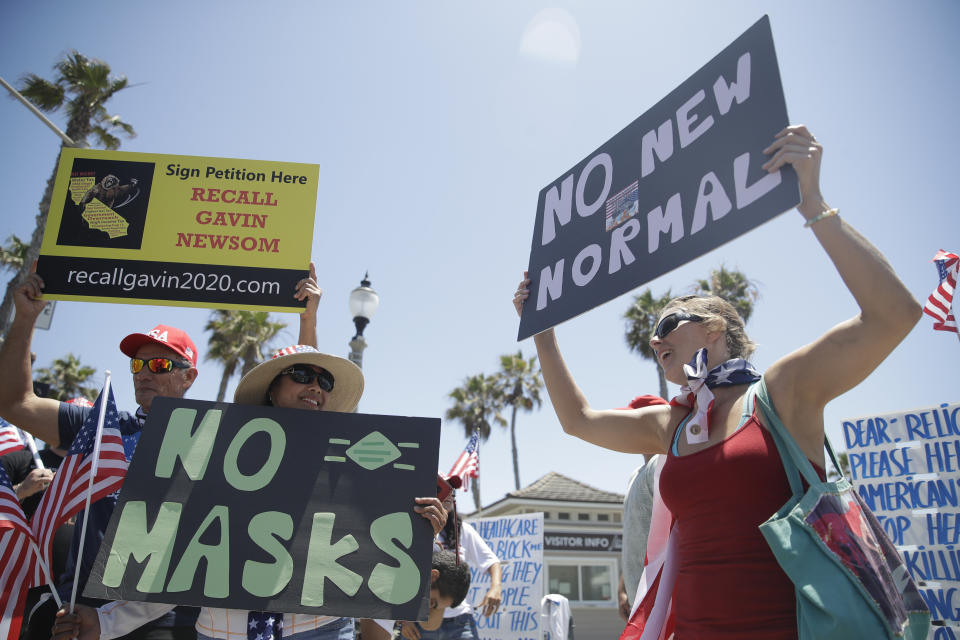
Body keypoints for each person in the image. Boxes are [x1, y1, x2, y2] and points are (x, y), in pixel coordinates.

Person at [512, 125, 922, 638]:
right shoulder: (674, 424)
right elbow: (578, 421)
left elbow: (894, 315)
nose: (655, 340)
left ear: (714, 329)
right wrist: (544, 334)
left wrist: (812, 202)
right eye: (649, 335)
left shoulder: (781, 394)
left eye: (667, 325)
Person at [52, 271, 448, 640]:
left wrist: (417, 534)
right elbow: (176, 564)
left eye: (324, 381)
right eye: (302, 377)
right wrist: (105, 624)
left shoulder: (347, 469)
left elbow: (373, 556)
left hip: (320, 629)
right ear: (271, 390)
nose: (315, 387)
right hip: (224, 631)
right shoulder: (214, 455)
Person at [0, 268, 205, 640]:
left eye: (158, 365)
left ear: (188, 377)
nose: (143, 373)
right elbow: (16, 403)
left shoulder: (215, 439)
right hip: (81, 610)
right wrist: (26, 318)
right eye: (137, 364)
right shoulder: (102, 427)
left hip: (173, 620)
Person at [401, 484, 502, 640]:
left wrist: (496, 587)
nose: (448, 495)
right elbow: (403, 577)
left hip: (459, 622)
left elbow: (491, 561)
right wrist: (405, 619)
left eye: (451, 491)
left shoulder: (462, 530)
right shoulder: (411, 527)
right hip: (420, 622)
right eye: (441, 490)